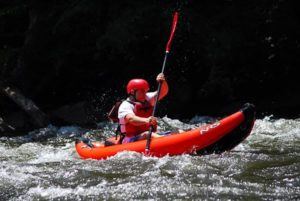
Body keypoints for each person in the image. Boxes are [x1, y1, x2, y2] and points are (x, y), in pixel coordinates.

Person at [118, 73, 169, 143]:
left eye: (145, 90)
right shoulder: (125, 105)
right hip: (130, 140)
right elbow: (131, 119)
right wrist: (146, 120)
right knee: (147, 134)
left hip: (149, 134)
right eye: (142, 91)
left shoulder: (146, 98)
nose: (145, 93)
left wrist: (163, 82)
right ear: (133, 92)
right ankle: (168, 143)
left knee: (179, 131)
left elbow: (163, 92)